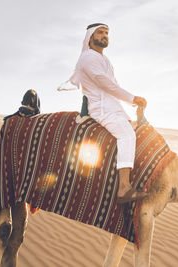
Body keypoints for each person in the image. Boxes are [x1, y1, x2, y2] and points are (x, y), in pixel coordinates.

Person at [58, 23, 147, 203]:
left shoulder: (104, 60)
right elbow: (104, 83)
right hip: (101, 109)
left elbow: (113, 86)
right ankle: (124, 188)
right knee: (127, 135)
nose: (104, 35)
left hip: (112, 107)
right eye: (100, 32)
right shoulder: (88, 58)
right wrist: (132, 98)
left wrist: (131, 103)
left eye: (106, 32)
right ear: (90, 37)